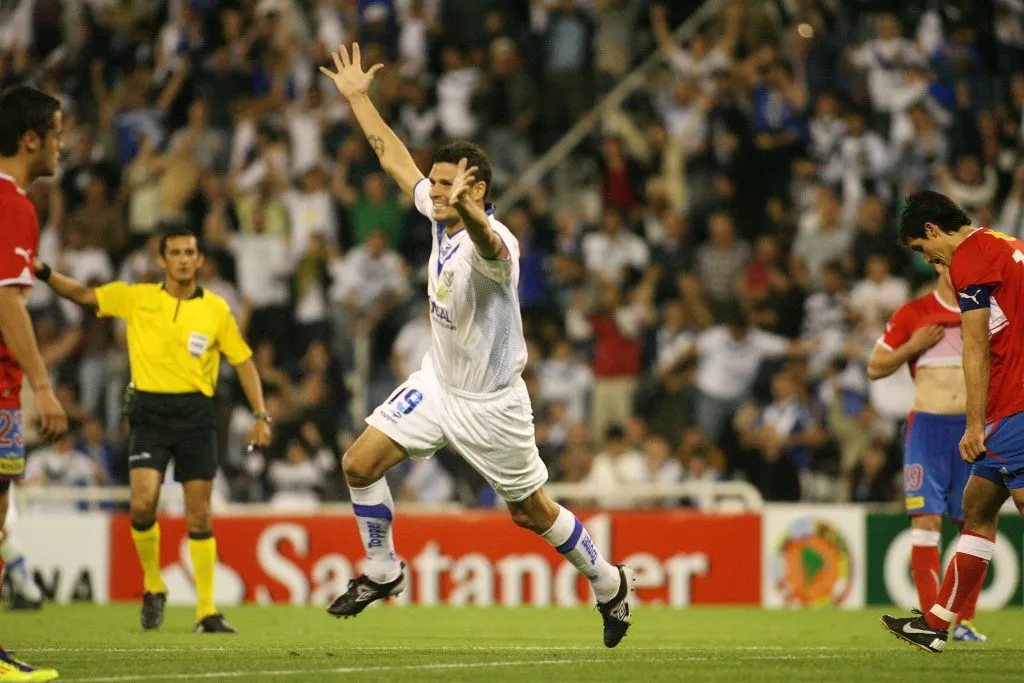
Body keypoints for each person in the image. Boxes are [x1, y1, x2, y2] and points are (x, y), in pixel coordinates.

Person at [319, 43, 635, 648]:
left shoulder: (497, 246)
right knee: (358, 463)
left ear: (476, 188)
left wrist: (474, 214)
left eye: (445, 186)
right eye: (436, 183)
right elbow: (391, 157)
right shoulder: (439, 214)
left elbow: (490, 249)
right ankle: (382, 570)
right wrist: (359, 98)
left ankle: (607, 581)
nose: (432, 191)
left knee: (530, 513)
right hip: (439, 384)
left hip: (493, 405)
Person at [35, 225, 272, 634]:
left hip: (198, 415)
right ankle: (153, 584)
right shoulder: (137, 298)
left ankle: (206, 611)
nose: (183, 259)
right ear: (162, 260)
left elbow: (245, 362)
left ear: (199, 259)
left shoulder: (216, 309)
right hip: (150, 412)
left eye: (190, 252)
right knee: (143, 503)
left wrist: (260, 415)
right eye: (176, 252)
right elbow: (83, 295)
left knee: (199, 514)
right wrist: (43, 273)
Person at [882, 190, 1024, 652]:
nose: (930, 262)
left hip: (1014, 406)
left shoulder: (968, 258)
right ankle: (937, 622)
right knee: (978, 509)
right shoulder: (1007, 244)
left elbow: (976, 345)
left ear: (932, 231)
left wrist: (973, 424)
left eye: (925, 251)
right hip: (1011, 404)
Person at [868, 264, 988, 643]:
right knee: (925, 523)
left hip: (971, 429)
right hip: (927, 430)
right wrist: (912, 346)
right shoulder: (913, 313)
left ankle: (965, 621)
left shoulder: (986, 309)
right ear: (938, 264)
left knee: (973, 521)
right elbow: (875, 366)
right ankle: (930, 621)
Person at [0, 84, 65, 683]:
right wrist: (41, 386)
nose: (61, 146)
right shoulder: (12, 203)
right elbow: (8, 304)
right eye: (58, 134)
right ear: (31, 139)